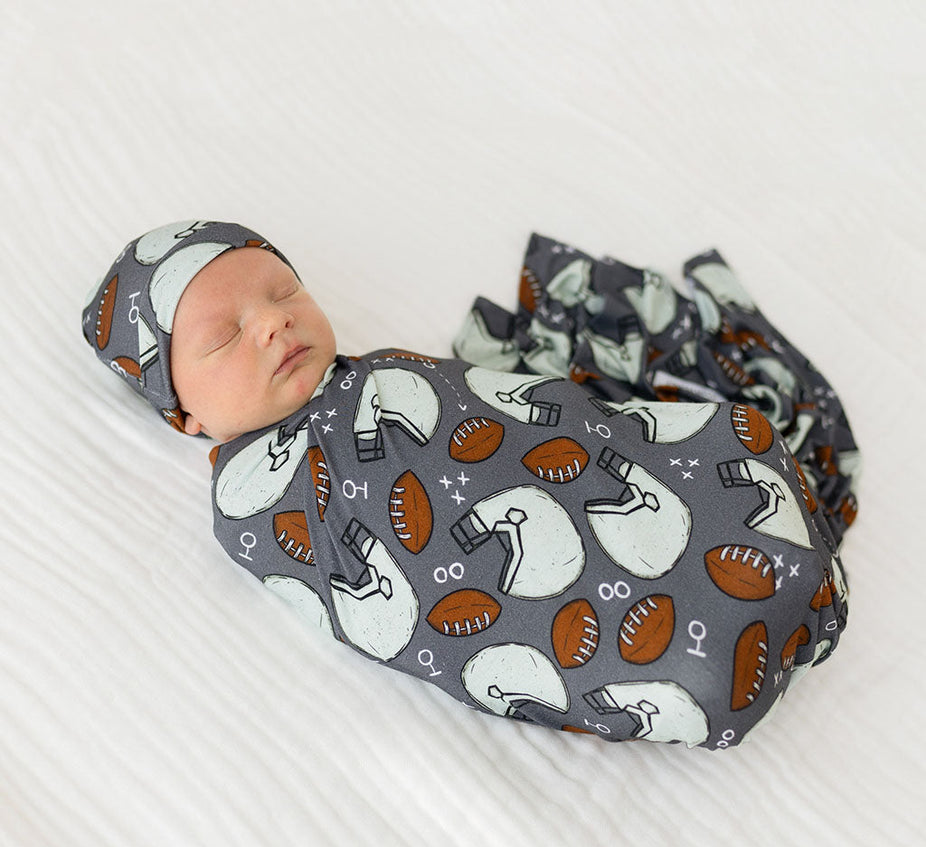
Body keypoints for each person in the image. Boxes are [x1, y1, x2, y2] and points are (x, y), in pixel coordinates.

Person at [82, 220, 858, 749]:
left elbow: (531, 418)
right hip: (537, 606)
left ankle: (761, 559)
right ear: (184, 414)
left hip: (583, 489)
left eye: (283, 292)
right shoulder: (249, 500)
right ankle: (698, 660)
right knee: (618, 633)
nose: (272, 323)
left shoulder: (381, 373)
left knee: (712, 447)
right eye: (223, 336)